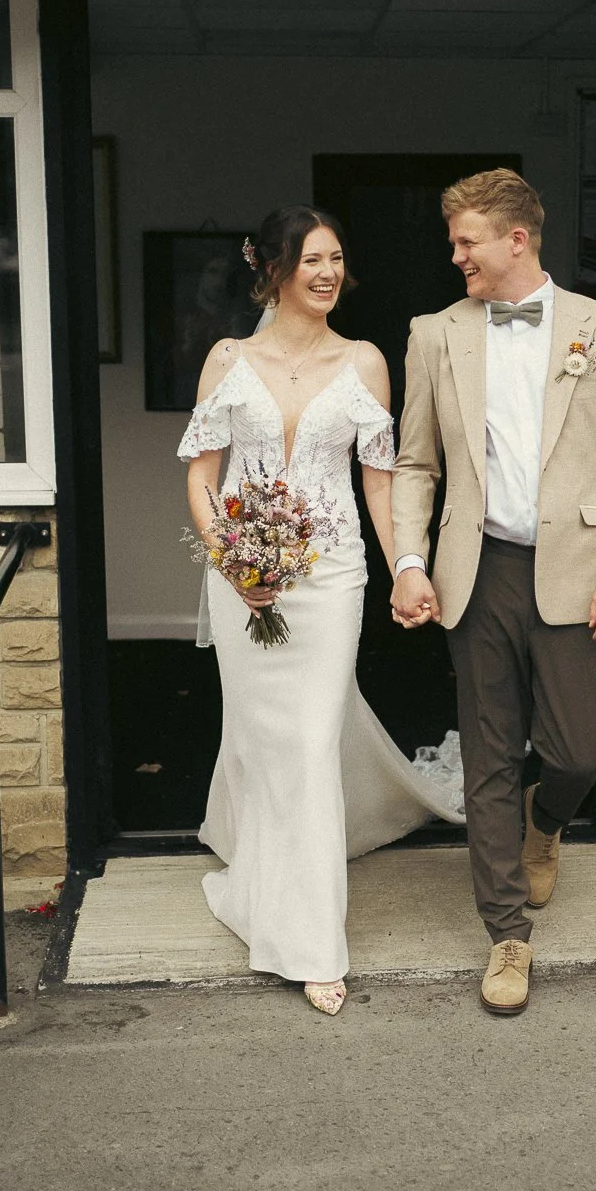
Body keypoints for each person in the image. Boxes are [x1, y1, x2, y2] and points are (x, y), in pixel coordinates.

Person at [390, 169, 596, 1016]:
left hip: (579, 574)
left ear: (517, 240)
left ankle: (547, 826)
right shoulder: (434, 334)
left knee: (582, 749)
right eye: (452, 243)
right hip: (477, 571)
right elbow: (416, 462)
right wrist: (407, 560)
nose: (455, 256)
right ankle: (506, 934)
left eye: (466, 241)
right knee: (490, 756)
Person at [178, 205, 463, 1016]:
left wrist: (407, 566)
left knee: (305, 740)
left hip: (333, 574)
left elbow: (379, 480)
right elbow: (202, 477)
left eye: (337, 258)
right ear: (272, 268)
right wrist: (232, 561)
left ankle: (308, 939)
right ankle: (258, 875)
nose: (328, 272)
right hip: (243, 578)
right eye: (311, 259)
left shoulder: (365, 362)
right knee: (263, 736)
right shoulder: (228, 360)